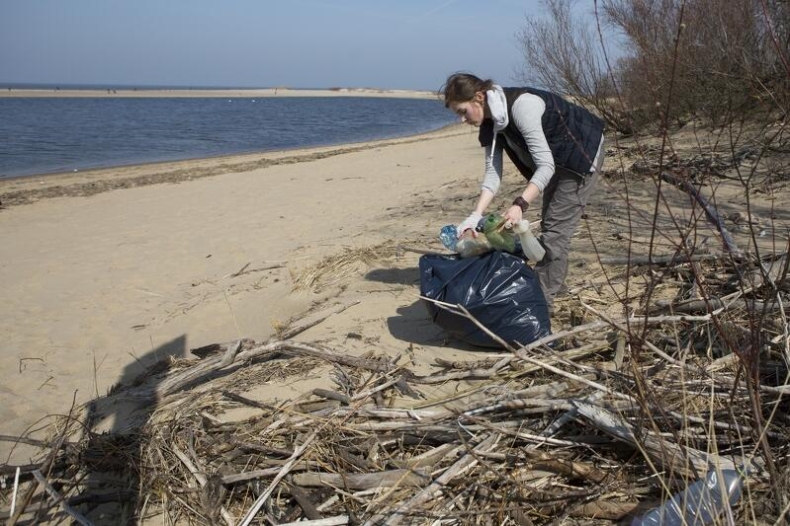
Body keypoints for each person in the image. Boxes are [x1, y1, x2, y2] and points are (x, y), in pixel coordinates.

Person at [441, 72, 606, 308]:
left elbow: (546, 165)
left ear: (479, 97)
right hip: (555, 159)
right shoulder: (490, 123)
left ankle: (539, 304)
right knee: (552, 226)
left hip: (581, 152)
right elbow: (492, 173)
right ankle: (555, 286)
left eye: (462, 111)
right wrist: (476, 214)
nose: (461, 119)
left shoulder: (522, 106)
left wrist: (520, 204)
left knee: (555, 234)